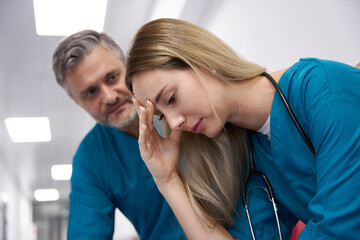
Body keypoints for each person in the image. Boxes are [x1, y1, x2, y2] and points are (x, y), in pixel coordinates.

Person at [125, 18, 360, 240]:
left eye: (172, 98)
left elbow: (339, 229)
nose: (174, 123)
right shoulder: (249, 154)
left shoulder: (324, 91)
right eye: (162, 116)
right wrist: (166, 180)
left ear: (203, 60)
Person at [52, 30, 186, 239]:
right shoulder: (91, 159)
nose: (109, 97)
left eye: (112, 78)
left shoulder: (175, 97)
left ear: (127, 63)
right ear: (76, 101)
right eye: (90, 92)